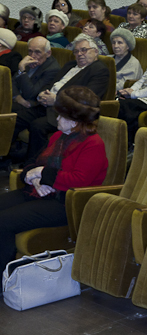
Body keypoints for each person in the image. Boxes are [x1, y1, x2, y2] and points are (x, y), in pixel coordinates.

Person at [0, 86, 108, 270]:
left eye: (61, 116)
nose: (57, 119)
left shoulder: (93, 144)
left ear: (75, 121)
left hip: (65, 203)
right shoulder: (59, 136)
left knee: (4, 222)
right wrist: (35, 179)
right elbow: (32, 162)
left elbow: (78, 180)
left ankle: (4, 276)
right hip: (40, 191)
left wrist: (42, 173)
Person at [13, 34, 109, 162]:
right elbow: (52, 83)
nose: (79, 54)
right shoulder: (70, 65)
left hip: (66, 113)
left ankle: (33, 165)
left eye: (84, 50)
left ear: (95, 51)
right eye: (76, 51)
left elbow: (88, 99)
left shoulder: (99, 70)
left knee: (38, 126)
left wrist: (57, 100)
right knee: (16, 118)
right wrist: (42, 93)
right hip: (45, 105)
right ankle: (6, 155)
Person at [12, 36, 60, 111]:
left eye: (37, 52)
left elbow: (31, 94)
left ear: (48, 53)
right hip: (18, 99)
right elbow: (12, 82)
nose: (32, 56)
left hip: (32, 105)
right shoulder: (28, 60)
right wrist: (17, 97)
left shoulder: (52, 69)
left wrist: (22, 70)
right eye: (30, 51)